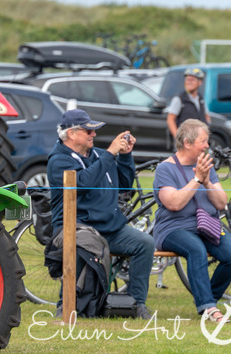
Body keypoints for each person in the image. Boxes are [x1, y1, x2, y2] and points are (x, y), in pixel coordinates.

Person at [47, 108, 153, 319]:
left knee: (145, 243)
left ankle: (136, 303)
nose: (93, 134)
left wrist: (125, 156)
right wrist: (110, 153)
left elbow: (124, 186)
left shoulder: (97, 155)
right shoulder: (58, 160)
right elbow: (83, 183)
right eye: (89, 131)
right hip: (75, 228)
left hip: (110, 228)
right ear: (72, 134)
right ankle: (65, 304)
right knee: (82, 246)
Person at [154, 118, 231, 323]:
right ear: (187, 143)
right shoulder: (165, 169)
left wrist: (206, 181)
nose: (207, 146)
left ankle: (208, 300)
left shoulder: (205, 166)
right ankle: (209, 308)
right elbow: (174, 204)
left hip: (207, 225)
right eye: (203, 141)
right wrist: (196, 180)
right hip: (174, 229)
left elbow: (221, 203)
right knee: (195, 249)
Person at [166, 67, 210, 138]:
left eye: (192, 80)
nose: (189, 82)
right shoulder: (179, 99)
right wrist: (178, 138)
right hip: (185, 142)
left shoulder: (201, 99)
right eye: (187, 80)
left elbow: (207, 116)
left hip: (199, 141)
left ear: (200, 82)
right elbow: (170, 119)